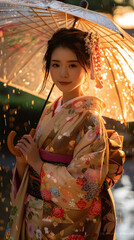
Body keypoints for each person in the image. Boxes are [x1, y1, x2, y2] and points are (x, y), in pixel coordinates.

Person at [5, 28, 125, 240]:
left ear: (88, 67)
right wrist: (24, 161)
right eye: (56, 65)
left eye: (72, 65)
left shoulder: (90, 120)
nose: (63, 73)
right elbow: (32, 164)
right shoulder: (52, 109)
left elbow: (84, 186)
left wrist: (38, 164)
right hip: (34, 219)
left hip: (64, 226)